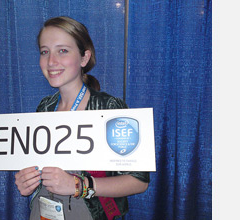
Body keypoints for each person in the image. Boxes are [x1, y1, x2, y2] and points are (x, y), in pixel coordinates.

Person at [15, 16, 150, 220]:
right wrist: (28, 181)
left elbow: (139, 182)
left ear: (84, 58)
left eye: (63, 50)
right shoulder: (44, 107)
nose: (51, 61)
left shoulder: (109, 108)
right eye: (45, 52)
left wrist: (79, 185)